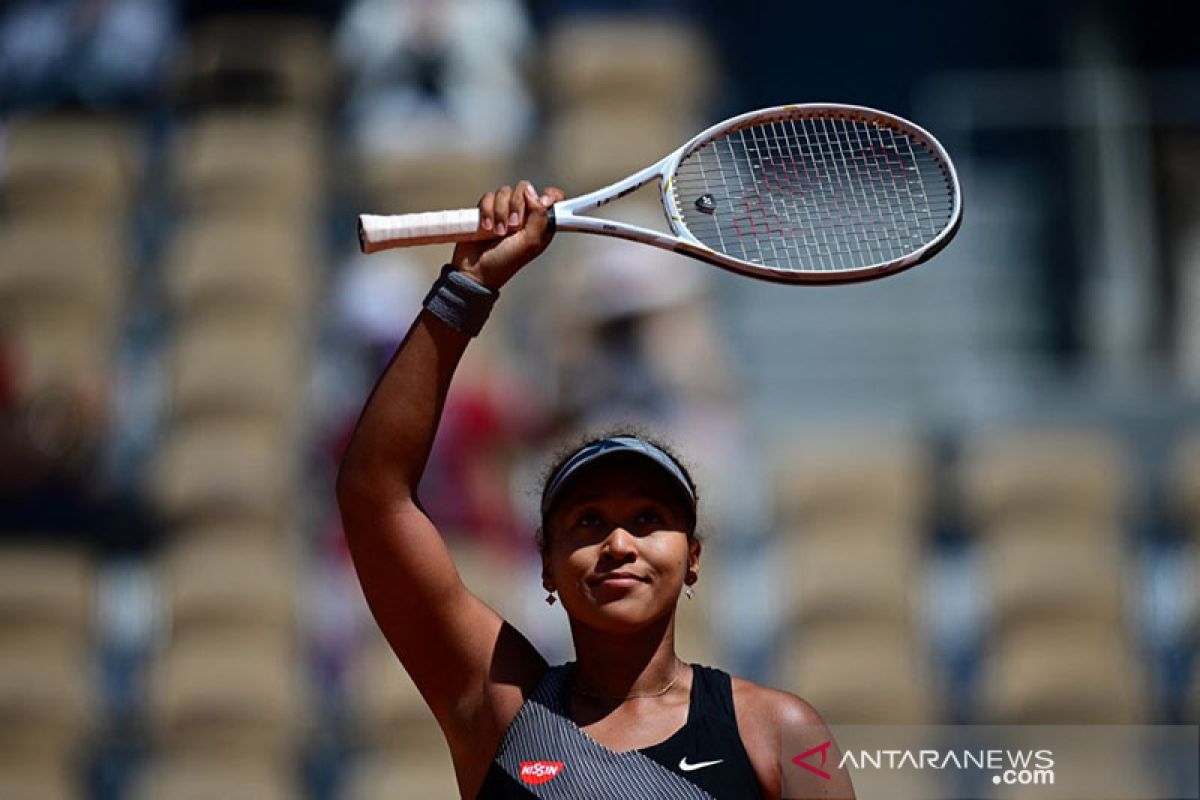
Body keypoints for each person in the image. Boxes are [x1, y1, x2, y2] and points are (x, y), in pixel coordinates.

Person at [335, 180, 855, 799]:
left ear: (693, 558)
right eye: (586, 521)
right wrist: (466, 286)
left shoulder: (782, 733)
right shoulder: (500, 712)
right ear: (546, 566)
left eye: (646, 518)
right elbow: (374, 495)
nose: (617, 543)